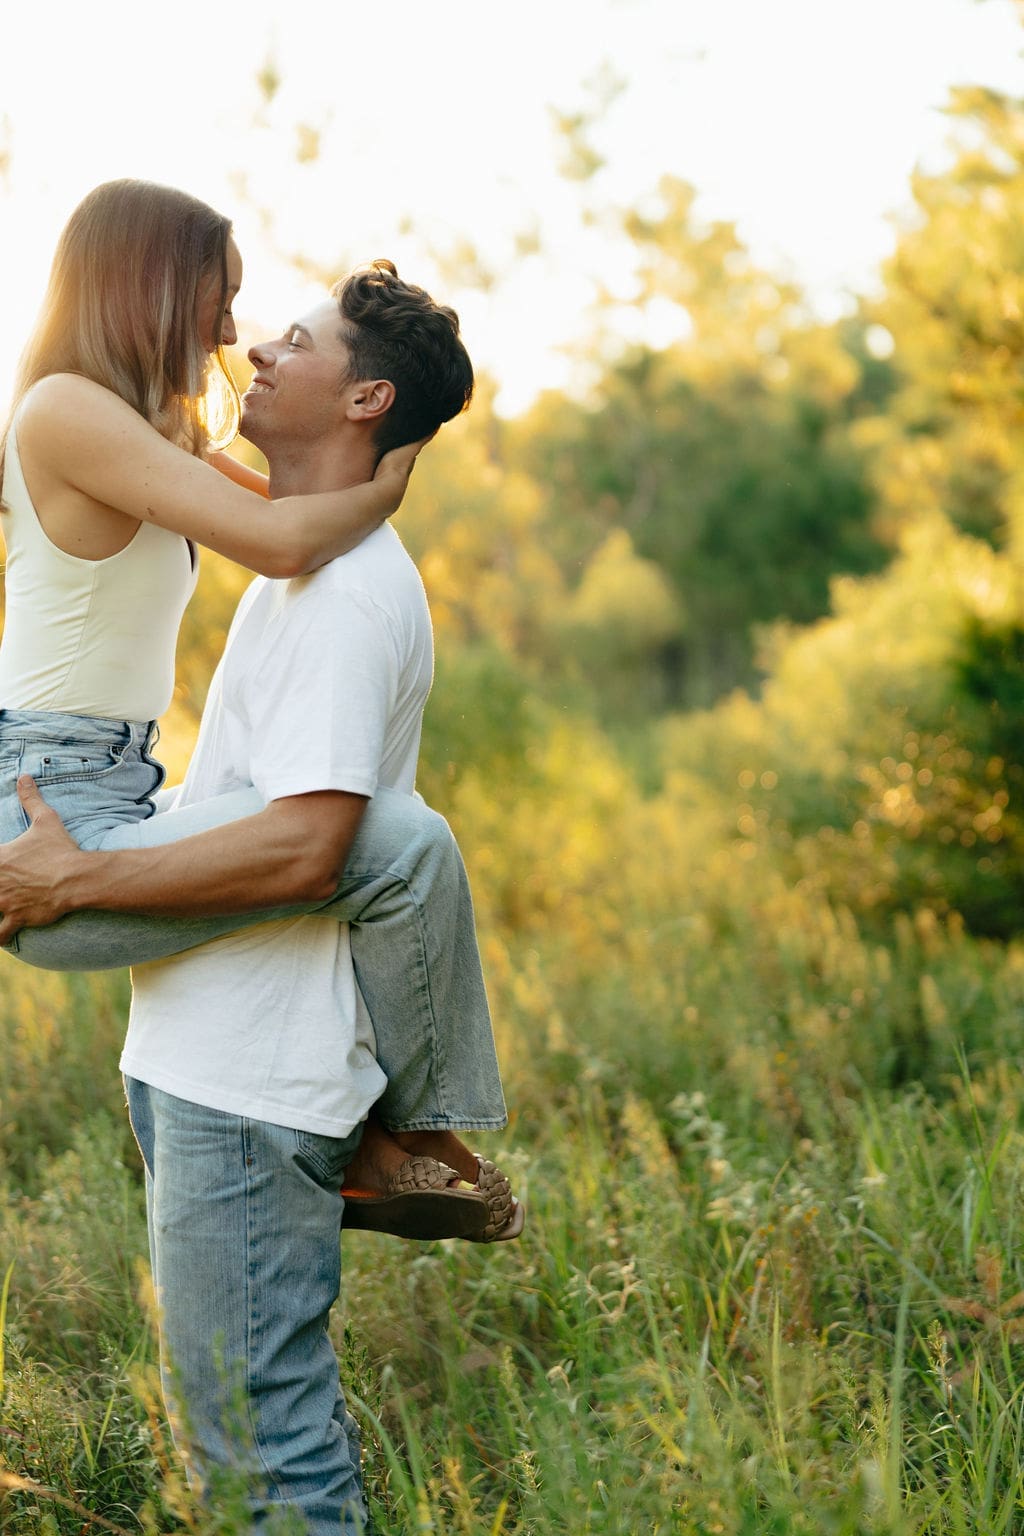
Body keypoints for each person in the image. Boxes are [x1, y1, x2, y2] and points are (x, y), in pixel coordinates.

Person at [0, 260, 517, 1531]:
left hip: (250, 1083)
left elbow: (306, 850)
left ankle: (425, 1121)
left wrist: (77, 874)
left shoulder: (344, 594)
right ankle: (410, 1122)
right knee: (239, 1441)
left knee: (261, 1461)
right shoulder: (300, 564)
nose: (260, 352)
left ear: (366, 398)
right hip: (210, 1056)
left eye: (299, 340)